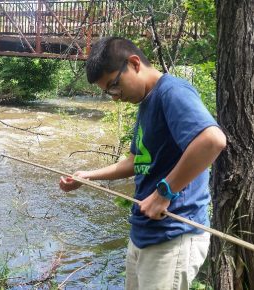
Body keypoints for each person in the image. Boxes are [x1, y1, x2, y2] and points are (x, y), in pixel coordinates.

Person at [59, 37, 226, 290]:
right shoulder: (146, 102)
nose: (114, 97)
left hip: (173, 234)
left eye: (114, 85)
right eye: (107, 92)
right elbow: (137, 160)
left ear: (135, 63)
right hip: (145, 233)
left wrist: (164, 192)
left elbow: (212, 140)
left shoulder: (172, 92)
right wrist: (88, 176)